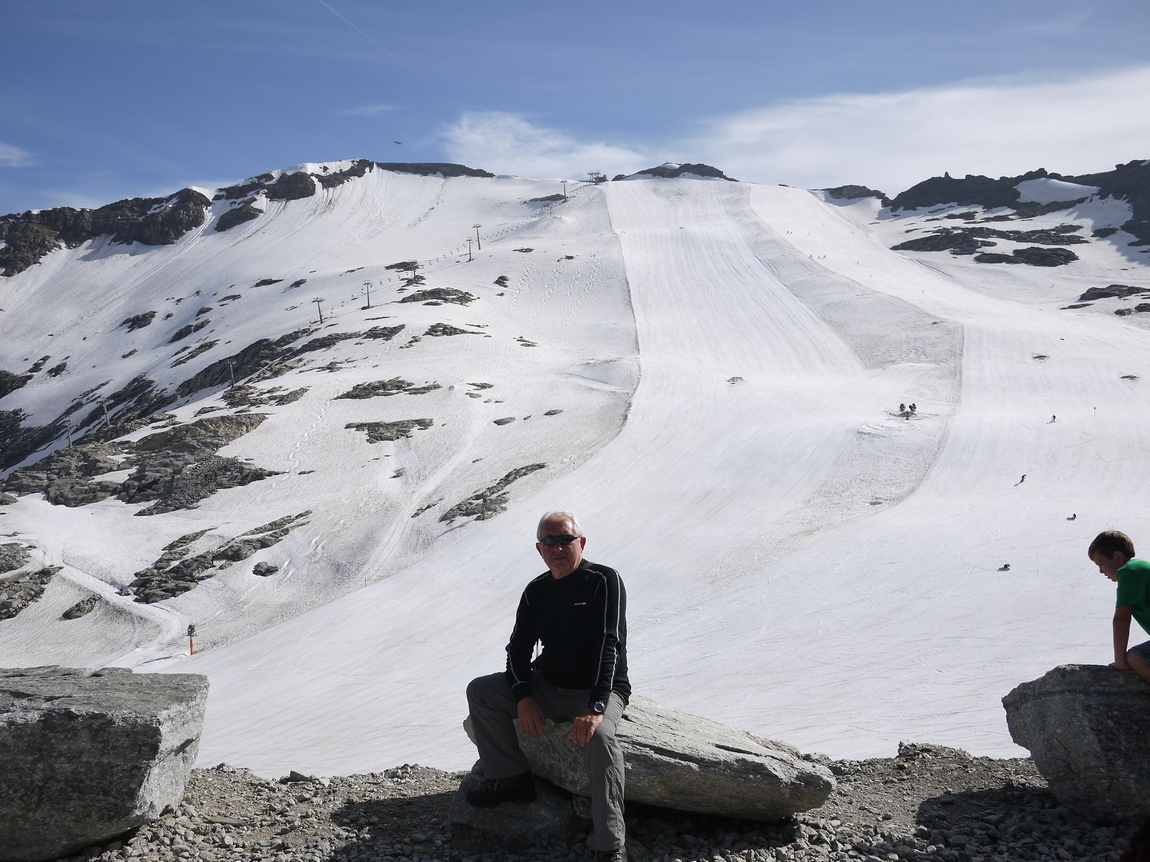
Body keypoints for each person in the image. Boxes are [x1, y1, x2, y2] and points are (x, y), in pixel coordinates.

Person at [466, 512, 630, 861]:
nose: (558, 547)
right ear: (540, 549)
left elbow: (610, 644)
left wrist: (596, 707)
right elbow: (517, 651)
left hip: (595, 690)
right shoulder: (536, 591)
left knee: (600, 740)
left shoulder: (603, 580)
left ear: (581, 543)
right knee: (481, 691)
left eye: (565, 539)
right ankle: (511, 778)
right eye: (549, 541)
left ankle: (610, 845)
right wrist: (523, 696)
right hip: (548, 684)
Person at [1088, 530, 1150, 684]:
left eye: (1101, 563)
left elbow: (1121, 619)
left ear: (1118, 556)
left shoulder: (1129, 571)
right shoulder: (1139, 568)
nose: (1101, 571)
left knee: (1135, 658)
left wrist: (1120, 661)